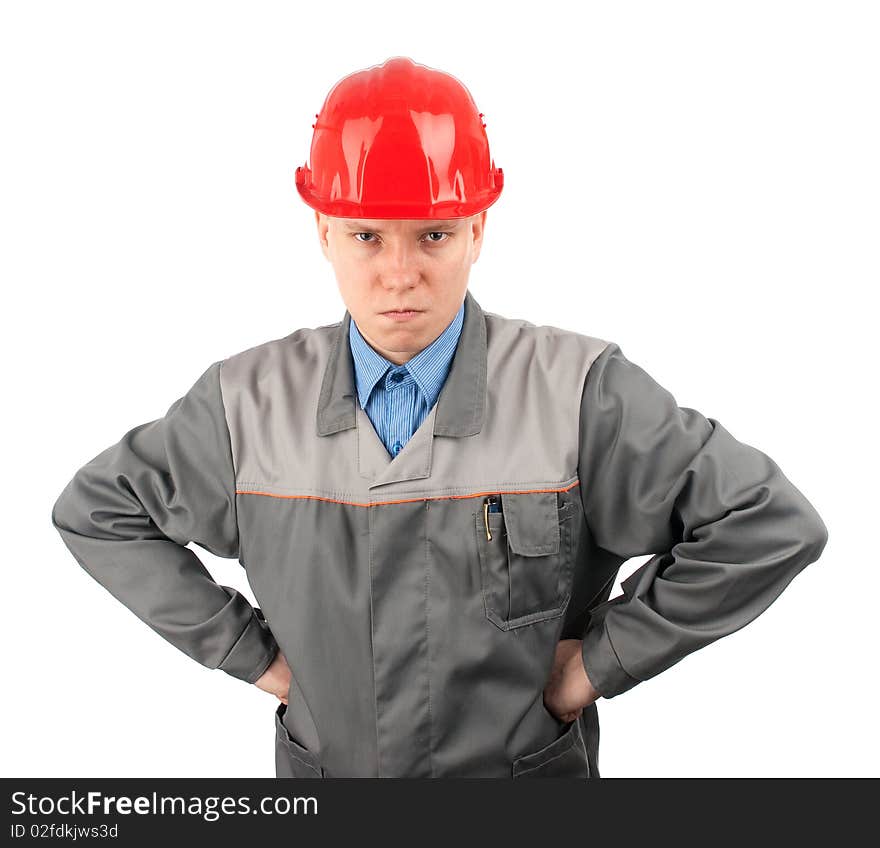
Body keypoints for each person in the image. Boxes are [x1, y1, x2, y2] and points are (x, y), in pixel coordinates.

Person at [50, 56, 829, 778]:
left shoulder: (582, 393)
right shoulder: (243, 405)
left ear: (478, 229)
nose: (400, 275)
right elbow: (99, 511)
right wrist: (247, 653)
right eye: (365, 235)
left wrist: (599, 664)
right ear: (321, 230)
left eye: (433, 234)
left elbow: (766, 522)